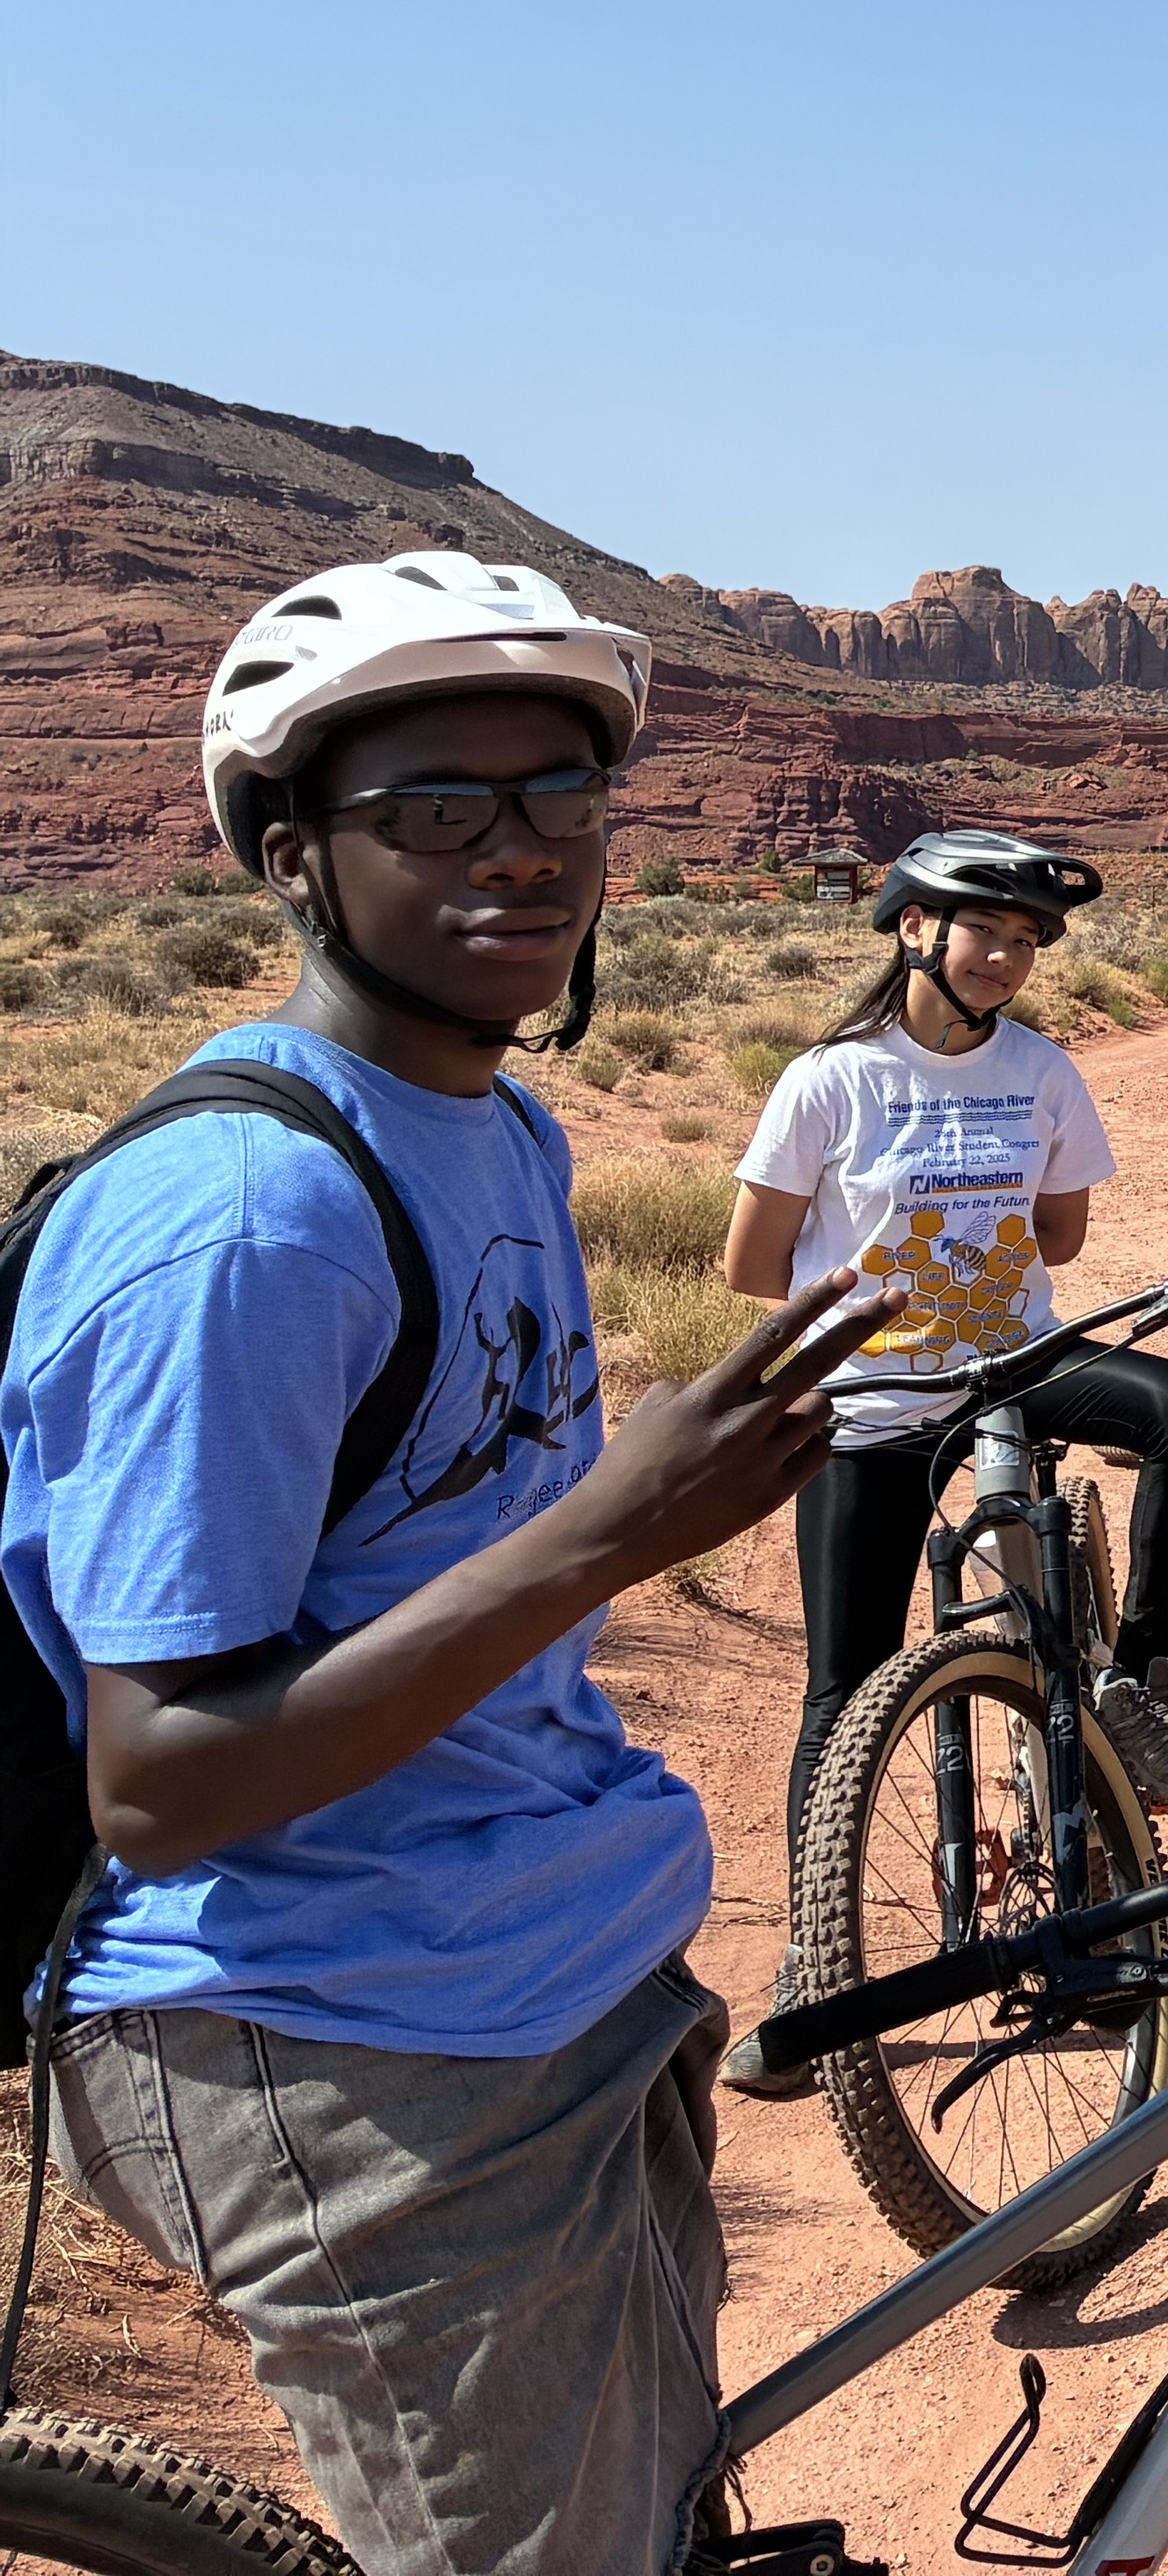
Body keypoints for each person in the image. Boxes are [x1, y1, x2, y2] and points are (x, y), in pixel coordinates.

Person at [2, 555, 858, 2576]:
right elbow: (162, 1776)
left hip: (539, 1970)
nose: (522, 853)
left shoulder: (499, 1128)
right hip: (344, 2042)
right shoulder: (251, 1225)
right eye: (439, 808)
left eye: (562, 799)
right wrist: (616, 1533)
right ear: (293, 855)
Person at [713, 828, 1168, 2105]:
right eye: (984, 932)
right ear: (911, 930)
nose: (1007, 958)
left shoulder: (1044, 1070)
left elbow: (1061, 1230)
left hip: (1012, 1368)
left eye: (1026, 941)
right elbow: (747, 1263)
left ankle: (1135, 1686)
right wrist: (875, 1313)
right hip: (874, 1400)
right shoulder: (829, 1082)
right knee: (847, 1683)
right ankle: (818, 1974)